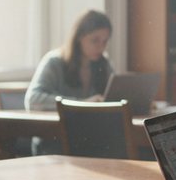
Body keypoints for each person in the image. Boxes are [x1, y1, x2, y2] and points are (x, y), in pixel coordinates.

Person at [24, 9, 114, 154]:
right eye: (95, 40)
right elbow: (33, 100)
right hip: (54, 140)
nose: (101, 47)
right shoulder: (54, 62)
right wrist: (82, 103)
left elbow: (114, 95)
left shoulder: (104, 64)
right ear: (79, 37)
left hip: (90, 137)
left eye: (105, 41)